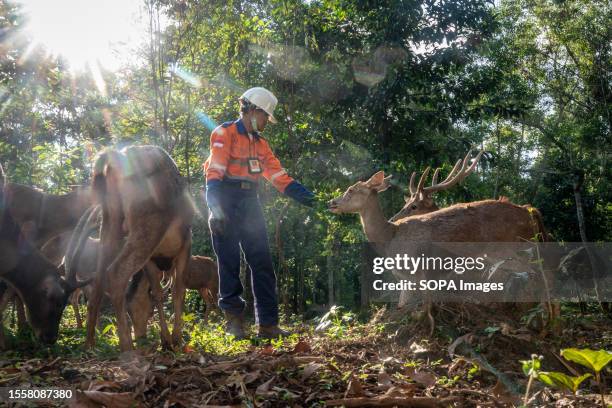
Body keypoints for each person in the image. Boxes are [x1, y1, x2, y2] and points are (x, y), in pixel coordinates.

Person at [203, 87, 314, 339]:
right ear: (253, 111)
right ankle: (234, 322)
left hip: (249, 201)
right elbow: (214, 174)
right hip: (225, 198)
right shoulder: (225, 133)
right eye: (266, 117)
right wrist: (215, 209)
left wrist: (312, 200)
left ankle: (268, 324)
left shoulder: (261, 145)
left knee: (262, 262)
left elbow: (279, 178)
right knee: (229, 261)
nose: (266, 123)